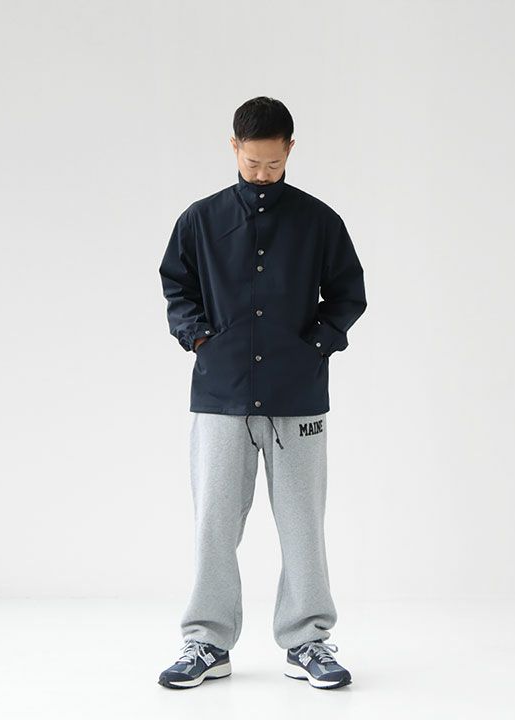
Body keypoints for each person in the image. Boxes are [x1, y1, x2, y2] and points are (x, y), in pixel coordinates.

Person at [156, 96, 367, 690]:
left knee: (303, 524)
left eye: (274, 163)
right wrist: (199, 338)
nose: (263, 173)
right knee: (214, 523)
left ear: (290, 150)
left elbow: (348, 294)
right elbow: (176, 285)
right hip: (220, 393)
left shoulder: (319, 221)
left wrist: (314, 347)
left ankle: (307, 641)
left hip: (297, 396)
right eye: (252, 162)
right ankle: (206, 641)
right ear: (234, 148)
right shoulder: (201, 219)